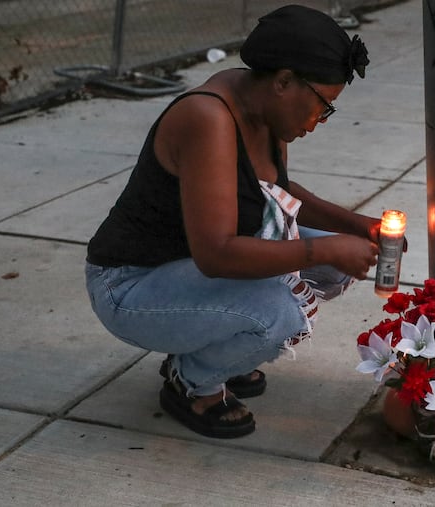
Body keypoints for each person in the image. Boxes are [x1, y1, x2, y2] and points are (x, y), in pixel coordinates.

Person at [85, 4, 383, 439]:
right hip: (131, 286)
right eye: (322, 106)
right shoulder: (208, 118)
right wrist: (324, 246)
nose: (318, 123)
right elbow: (217, 254)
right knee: (279, 312)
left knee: (333, 264)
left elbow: (279, 191)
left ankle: (215, 349)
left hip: (184, 270)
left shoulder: (263, 109)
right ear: (283, 81)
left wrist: (357, 226)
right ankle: (191, 383)